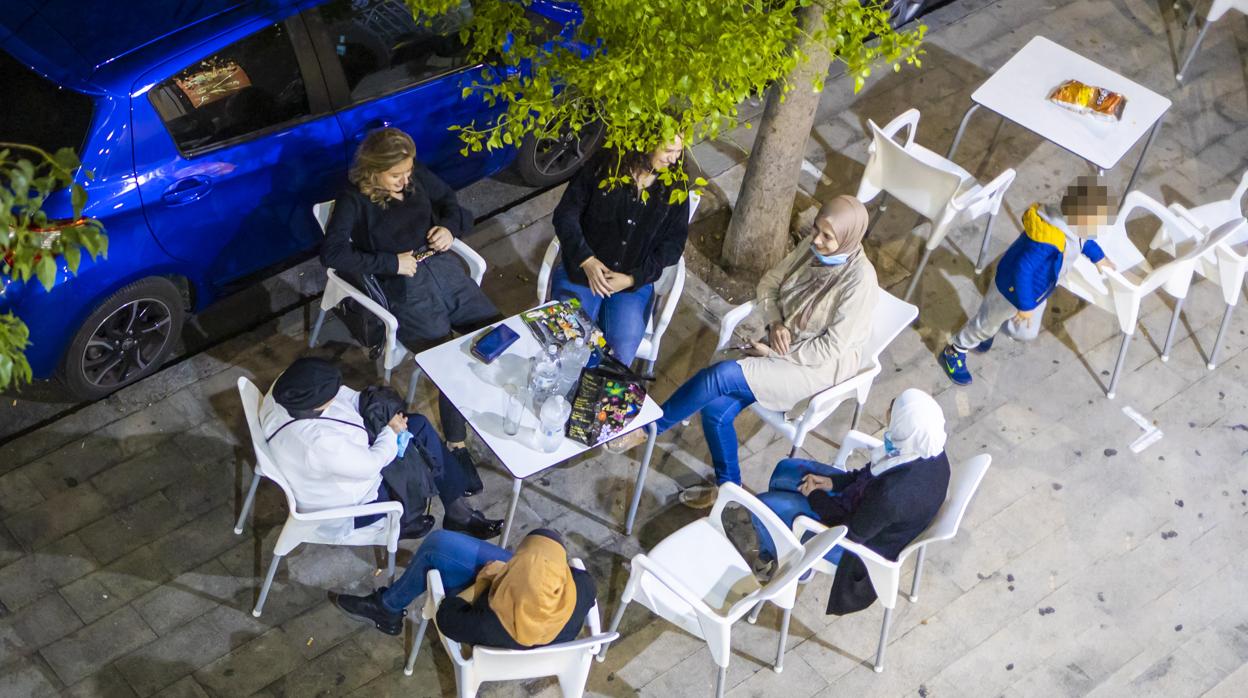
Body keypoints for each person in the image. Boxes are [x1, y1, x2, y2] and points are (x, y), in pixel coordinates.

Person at [609, 195, 879, 509]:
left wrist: (774, 353)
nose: (817, 239)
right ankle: (729, 488)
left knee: (722, 376)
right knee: (714, 411)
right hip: (781, 342)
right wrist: (776, 322)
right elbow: (770, 283)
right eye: (817, 229)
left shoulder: (859, 285)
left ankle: (650, 427)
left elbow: (829, 348)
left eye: (827, 237)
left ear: (849, 237)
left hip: (812, 369)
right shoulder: (813, 247)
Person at [320, 127, 498, 492]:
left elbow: (451, 203)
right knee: (449, 357)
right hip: (405, 285)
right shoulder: (354, 199)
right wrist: (391, 263)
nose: (405, 180)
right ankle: (456, 442)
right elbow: (333, 254)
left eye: (408, 171)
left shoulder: (415, 178)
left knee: (496, 333)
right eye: (396, 175)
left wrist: (448, 228)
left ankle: (493, 402)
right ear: (373, 172)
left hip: (443, 268)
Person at [751, 388, 951, 615]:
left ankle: (789, 561)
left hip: (856, 551)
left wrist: (815, 496)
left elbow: (848, 531)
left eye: (892, 413)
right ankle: (779, 546)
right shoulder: (926, 449)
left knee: (763, 508)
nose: (886, 413)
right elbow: (870, 477)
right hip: (863, 509)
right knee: (783, 472)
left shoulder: (893, 496)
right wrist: (832, 483)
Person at [259, 357, 503, 540]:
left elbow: (345, 398)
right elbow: (371, 465)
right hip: (351, 504)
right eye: (330, 396)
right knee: (415, 453)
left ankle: (456, 506)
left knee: (417, 425)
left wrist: (377, 409)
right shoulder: (319, 444)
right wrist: (392, 431)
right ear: (317, 404)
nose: (336, 395)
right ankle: (417, 518)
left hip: (329, 467)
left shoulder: (285, 388)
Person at [939, 176, 1116, 385]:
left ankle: (989, 329)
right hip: (1011, 290)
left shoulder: (1072, 225)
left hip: (1036, 290)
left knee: (1024, 331)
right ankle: (956, 350)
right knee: (986, 323)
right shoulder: (1048, 240)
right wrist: (1024, 306)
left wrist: (1099, 258)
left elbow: (1083, 241)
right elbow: (1023, 270)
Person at [550, 137, 690, 365]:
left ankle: (597, 396)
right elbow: (566, 214)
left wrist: (632, 278)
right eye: (668, 150)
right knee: (568, 342)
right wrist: (586, 259)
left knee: (621, 352)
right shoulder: (604, 166)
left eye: (679, 152)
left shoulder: (676, 187)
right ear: (647, 143)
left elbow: (673, 245)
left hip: (630, 284)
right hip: (583, 272)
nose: (673, 159)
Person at [332, 528, 597, 649]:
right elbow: (561, 575)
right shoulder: (583, 588)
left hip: (486, 606)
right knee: (544, 549)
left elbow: (447, 613)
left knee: (437, 546)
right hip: (546, 637)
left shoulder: (486, 624)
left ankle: (387, 608)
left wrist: (485, 580)